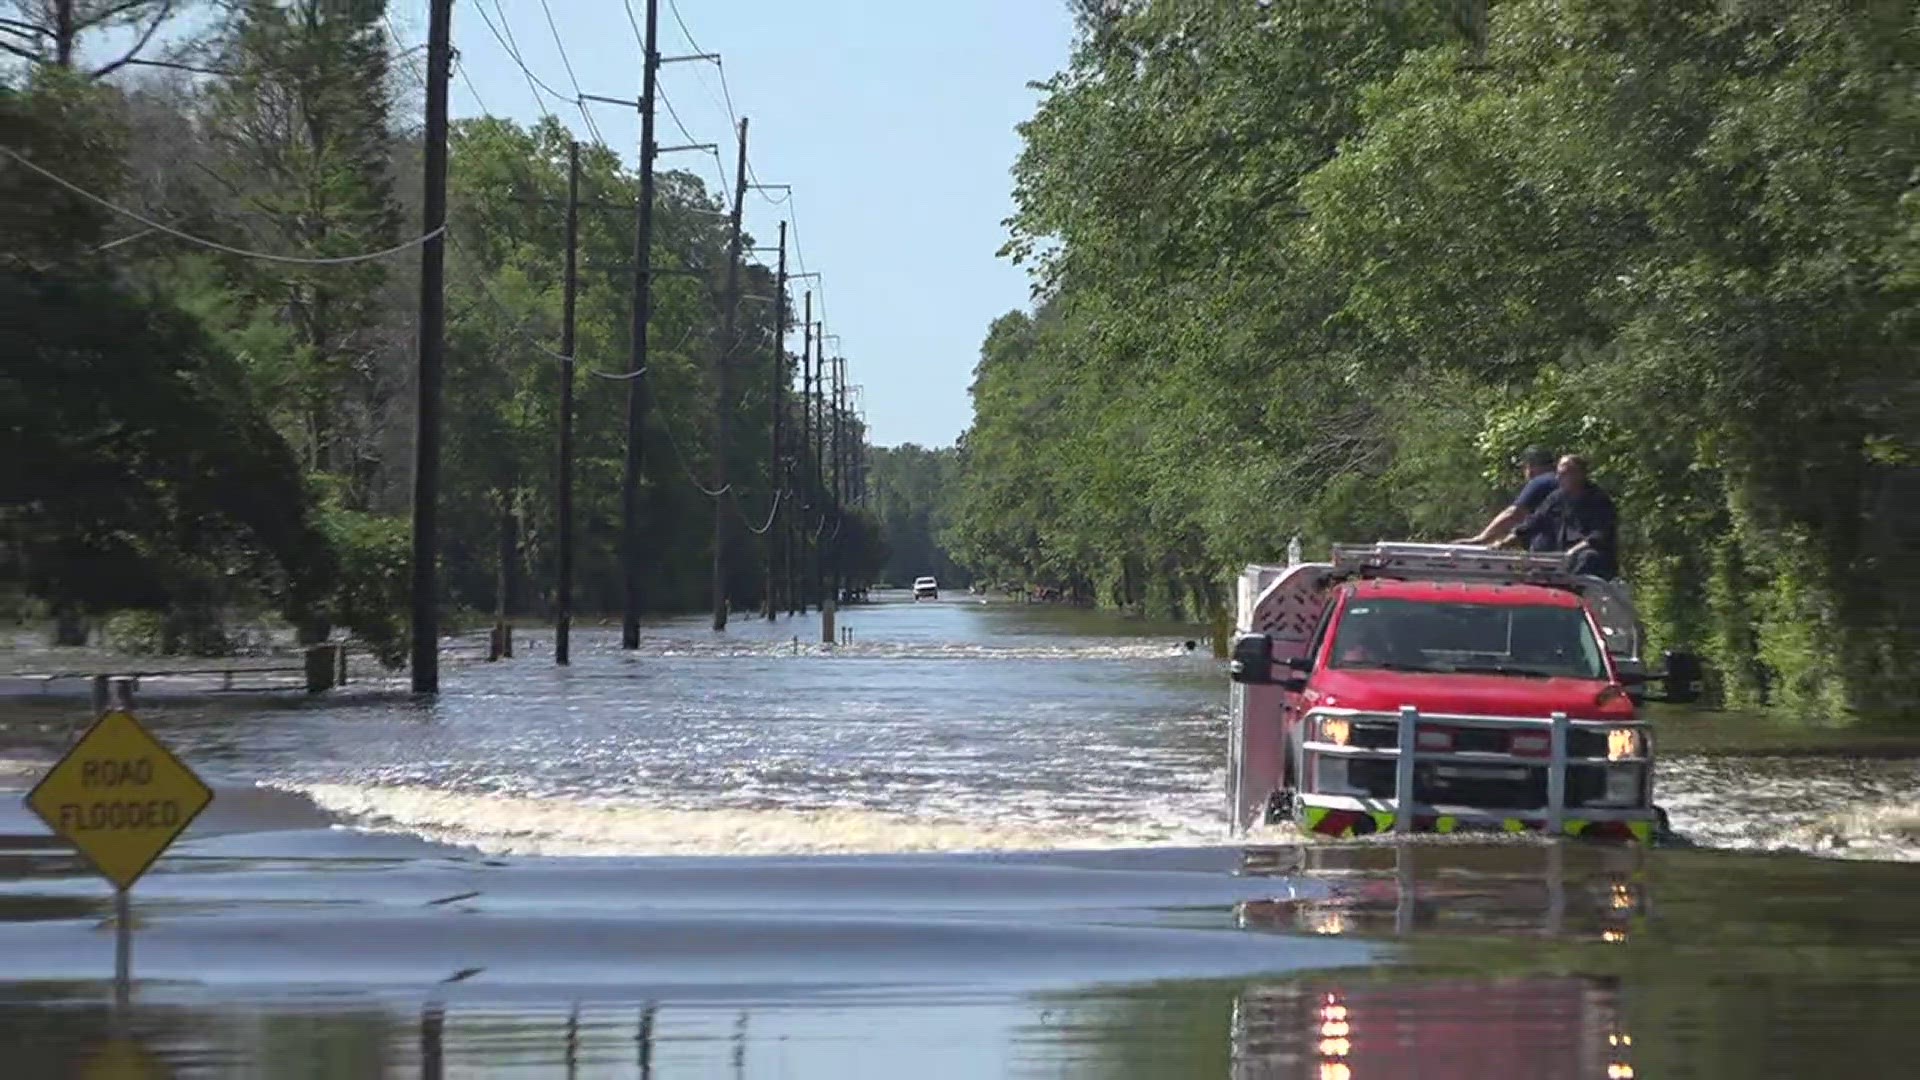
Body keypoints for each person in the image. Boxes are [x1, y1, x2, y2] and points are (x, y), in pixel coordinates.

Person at [1503, 455, 1620, 579]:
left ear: (1579, 474)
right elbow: (1534, 522)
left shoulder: (1599, 500)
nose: (1558, 478)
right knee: (1535, 562)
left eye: (1563, 474)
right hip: (1560, 556)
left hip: (1589, 559)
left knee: (1588, 557)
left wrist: (1572, 552)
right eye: (1558, 474)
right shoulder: (1556, 498)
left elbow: (1599, 535)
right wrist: (1504, 543)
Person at [1455, 446, 1561, 550]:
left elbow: (1513, 514)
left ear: (1529, 467)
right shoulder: (1566, 482)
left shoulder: (1541, 482)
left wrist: (1482, 538)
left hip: (1548, 551)